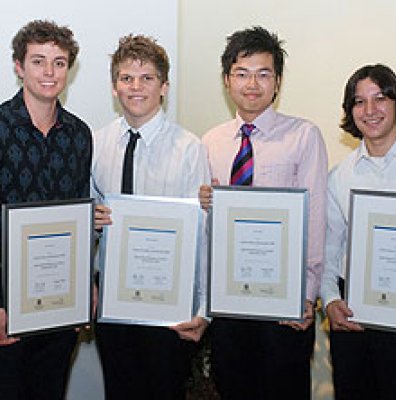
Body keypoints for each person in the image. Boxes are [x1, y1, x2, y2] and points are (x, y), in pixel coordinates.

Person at [199, 26, 328, 399]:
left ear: (278, 81)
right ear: (227, 81)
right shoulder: (211, 141)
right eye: (241, 73)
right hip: (229, 303)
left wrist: (306, 295)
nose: (251, 84)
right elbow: (205, 230)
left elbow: (315, 218)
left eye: (263, 73)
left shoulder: (304, 136)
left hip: (283, 306)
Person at [92, 34, 210, 400]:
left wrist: (204, 310)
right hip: (111, 304)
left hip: (169, 307)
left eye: (147, 78)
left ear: (164, 87)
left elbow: (203, 234)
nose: (136, 87)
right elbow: (84, 226)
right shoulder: (95, 144)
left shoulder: (190, 148)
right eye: (127, 78)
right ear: (114, 87)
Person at [0, 20, 92, 399]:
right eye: (38, 61)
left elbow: (80, 217)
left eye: (59, 62)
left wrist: (83, 289)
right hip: (5, 308)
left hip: (59, 304)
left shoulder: (80, 134)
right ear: (19, 66)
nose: (49, 73)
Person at [320, 64, 396, 399]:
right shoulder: (340, 176)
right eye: (358, 101)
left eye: (379, 98)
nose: (370, 110)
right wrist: (331, 301)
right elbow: (329, 250)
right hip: (354, 318)